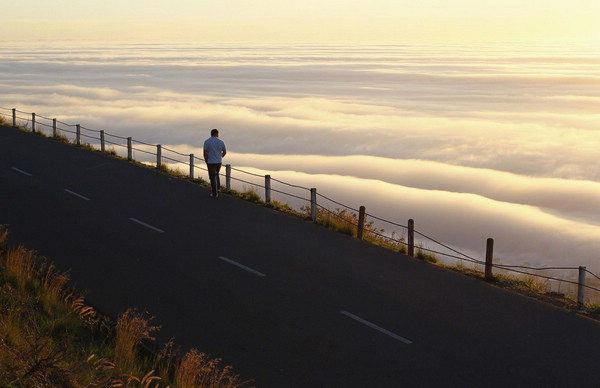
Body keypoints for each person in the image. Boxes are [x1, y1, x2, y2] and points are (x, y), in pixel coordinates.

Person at [203, 128, 227, 198]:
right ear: (217, 134)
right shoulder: (221, 142)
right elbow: (225, 151)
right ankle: (218, 189)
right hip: (218, 162)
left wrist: (206, 160)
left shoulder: (207, 142)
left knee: (212, 177)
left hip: (210, 161)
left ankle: (214, 193)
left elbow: (205, 153)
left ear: (211, 134)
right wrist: (220, 157)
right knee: (216, 174)